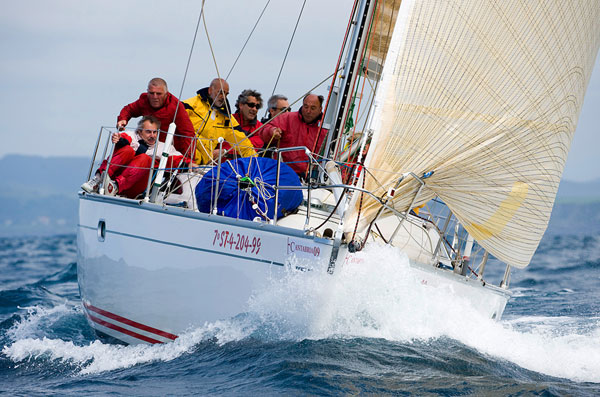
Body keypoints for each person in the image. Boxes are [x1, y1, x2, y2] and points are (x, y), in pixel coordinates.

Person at [82, 115, 193, 199]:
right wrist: (118, 139)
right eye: (148, 132)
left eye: (155, 132)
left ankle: (115, 186)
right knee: (127, 149)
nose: (152, 135)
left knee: (145, 158)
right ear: (139, 131)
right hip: (114, 174)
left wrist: (190, 164)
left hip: (136, 186)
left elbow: (178, 159)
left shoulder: (163, 147)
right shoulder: (132, 136)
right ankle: (98, 179)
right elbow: (124, 139)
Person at [184, 78, 256, 165]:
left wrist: (255, 165)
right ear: (210, 90)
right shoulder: (190, 105)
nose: (223, 97)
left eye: (226, 94)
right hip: (183, 160)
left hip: (202, 165)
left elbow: (244, 145)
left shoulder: (226, 118)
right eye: (221, 92)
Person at [117, 78, 195, 157]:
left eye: (159, 94)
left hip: (169, 151)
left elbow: (188, 134)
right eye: (151, 93)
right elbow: (129, 109)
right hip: (148, 146)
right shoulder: (144, 101)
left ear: (166, 94)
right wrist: (123, 119)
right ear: (147, 92)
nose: (155, 97)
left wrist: (189, 159)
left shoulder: (176, 107)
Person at [258, 93, 327, 177]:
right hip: (285, 174)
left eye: (313, 108)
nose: (308, 111)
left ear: (320, 109)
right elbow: (263, 131)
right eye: (305, 107)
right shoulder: (287, 118)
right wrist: (272, 131)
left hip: (314, 178)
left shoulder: (326, 128)